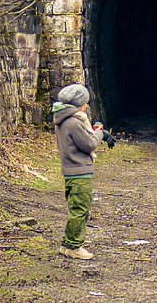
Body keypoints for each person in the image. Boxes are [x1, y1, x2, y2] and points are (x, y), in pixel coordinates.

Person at [52, 84, 105, 259]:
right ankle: (74, 246)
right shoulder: (74, 122)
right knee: (80, 210)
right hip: (79, 172)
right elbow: (89, 145)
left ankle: (67, 245)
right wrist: (100, 134)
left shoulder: (62, 120)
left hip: (70, 171)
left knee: (75, 209)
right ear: (80, 104)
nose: (85, 106)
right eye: (84, 103)